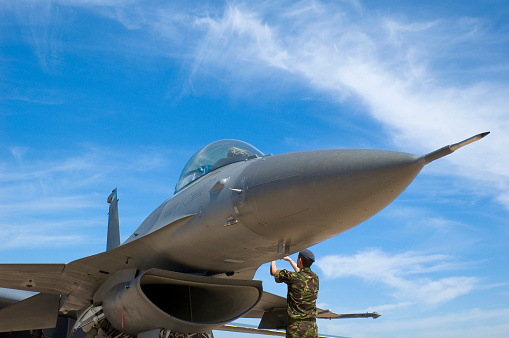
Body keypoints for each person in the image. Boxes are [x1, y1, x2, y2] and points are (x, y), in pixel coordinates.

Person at [270, 249, 319, 338]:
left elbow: (273, 272)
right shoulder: (315, 278)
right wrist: (289, 260)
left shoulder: (293, 277)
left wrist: (273, 258)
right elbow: (301, 274)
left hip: (296, 327)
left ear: (300, 260)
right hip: (312, 327)